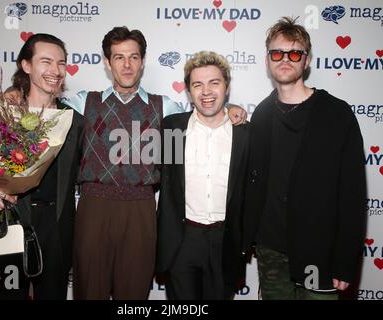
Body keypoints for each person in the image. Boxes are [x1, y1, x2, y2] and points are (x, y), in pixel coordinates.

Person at [66, 27, 247, 300]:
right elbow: (42, 107)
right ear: (106, 62)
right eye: (118, 57)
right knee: (89, 291)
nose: (127, 65)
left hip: (142, 209)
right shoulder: (82, 103)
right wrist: (15, 91)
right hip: (93, 208)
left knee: (134, 295)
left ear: (143, 60)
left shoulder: (167, 110)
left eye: (134, 57)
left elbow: (203, 113)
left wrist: (232, 109)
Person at [242, 17, 366, 300]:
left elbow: (353, 195)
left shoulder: (337, 115)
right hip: (271, 250)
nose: (285, 59)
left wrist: (346, 263)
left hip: (318, 252)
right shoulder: (261, 114)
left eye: (294, 53)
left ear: (306, 61)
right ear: (267, 60)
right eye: (277, 53)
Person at [0, 33, 85, 300]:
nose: (55, 71)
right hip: (8, 225)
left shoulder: (74, 122)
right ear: (26, 65)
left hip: (57, 233)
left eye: (61, 63)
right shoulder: (1, 115)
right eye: (46, 61)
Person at [156, 51, 248, 299]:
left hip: (225, 241)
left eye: (214, 83)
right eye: (198, 84)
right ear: (188, 91)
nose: (206, 91)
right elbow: (160, 175)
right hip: (182, 240)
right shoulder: (172, 128)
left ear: (226, 87)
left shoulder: (245, 135)